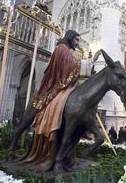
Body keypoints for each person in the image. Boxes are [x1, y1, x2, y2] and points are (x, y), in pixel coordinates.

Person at [19, 30, 84, 171]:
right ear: (70, 38)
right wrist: (79, 62)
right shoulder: (61, 49)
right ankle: (50, 142)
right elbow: (68, 67)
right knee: (56, 105)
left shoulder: (67, 50)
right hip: (58, 85)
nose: (78, 44)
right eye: (76, 40)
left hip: (67, 85)